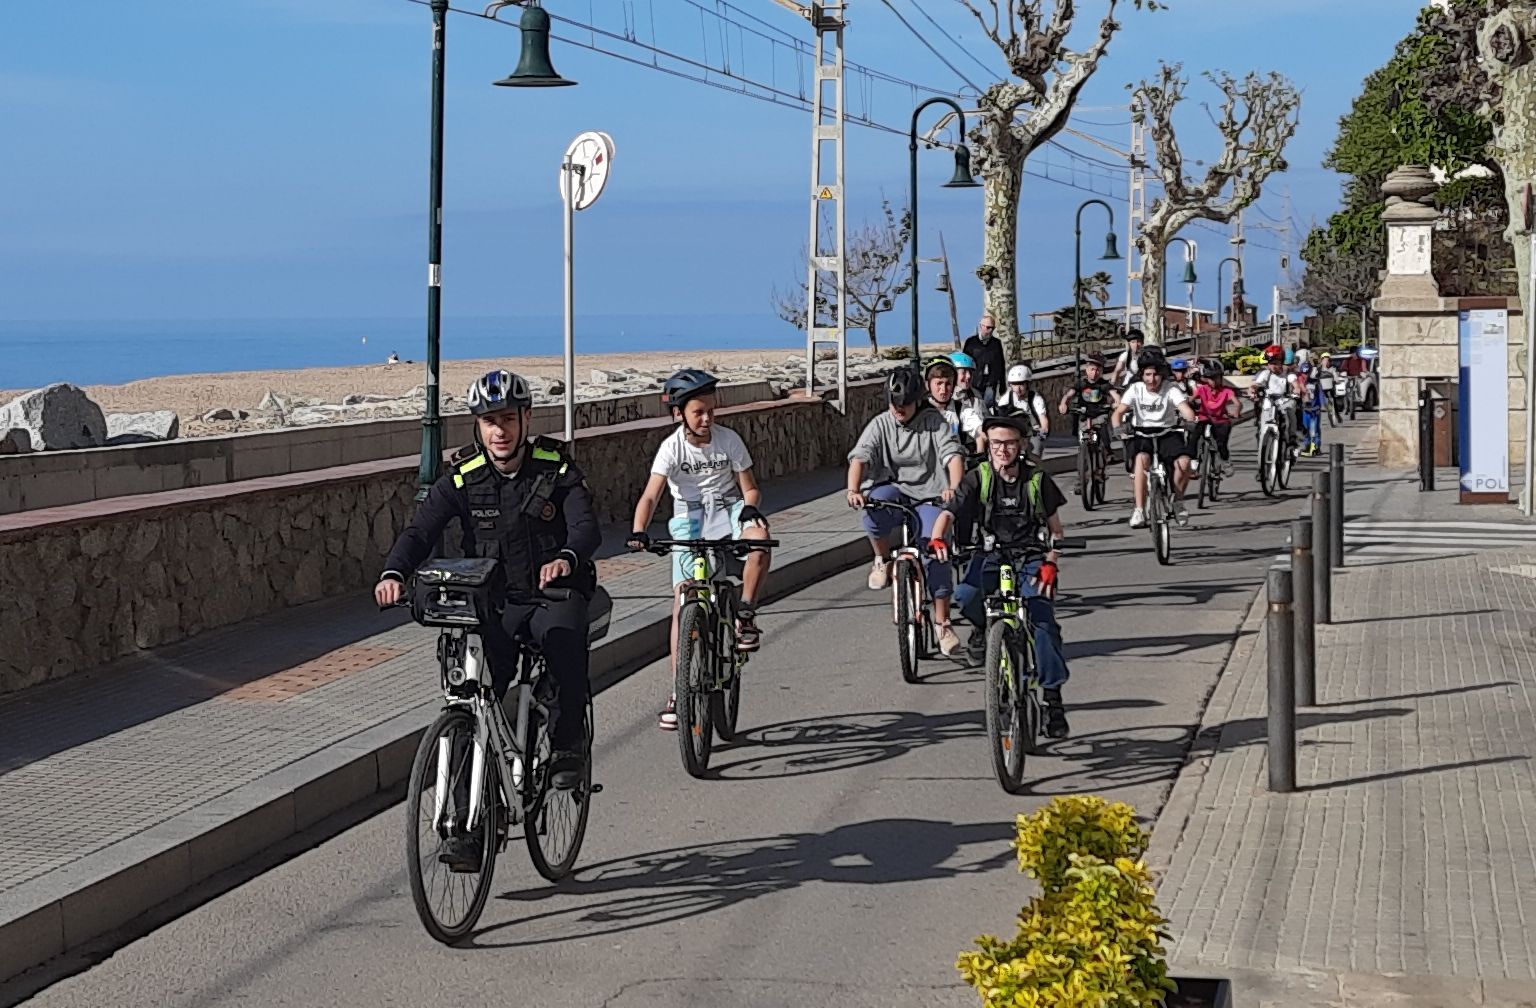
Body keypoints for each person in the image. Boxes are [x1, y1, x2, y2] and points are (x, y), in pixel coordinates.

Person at [375, 369, 599, 866]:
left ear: (525, 419)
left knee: (563, 639)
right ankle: (465, 827)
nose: (499, 431)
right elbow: (421, 530)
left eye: (507, 420)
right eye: (489, 421)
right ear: (477, 426)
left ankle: (566, 747)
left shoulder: (554, 469)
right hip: (492, 603)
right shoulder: (462, 475)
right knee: (468, 699)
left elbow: (586, 526)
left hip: (550, 594)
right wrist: (395, 571)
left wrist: (565, 556)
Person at [627, 369, 773, 731]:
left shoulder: (729, 440)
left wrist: (750, 508)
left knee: (761, 537)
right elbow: (650, 495)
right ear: (679, 414)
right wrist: (638, 531)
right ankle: (679, 691)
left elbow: (750, 488)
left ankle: (745, 614)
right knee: (682, 603)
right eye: (698, 412)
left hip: (727, 510)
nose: (707, 418)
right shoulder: (671, 449)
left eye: (710, 410)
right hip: (689, 519)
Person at [930, 415, 1073, 738]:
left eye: (1009, 443)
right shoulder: (978, 477)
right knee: (966, 596)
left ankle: (1053, 700)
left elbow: (1057, 532)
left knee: (1043, 623)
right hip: (992, 555)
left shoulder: (1036, 480)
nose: (1002, 450)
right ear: (988, 445)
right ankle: (984, 630)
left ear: (1021, 445)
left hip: (1032, 557)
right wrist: (938, 538)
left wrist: (1052, 561)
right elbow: (949, 513)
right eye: (996, 443)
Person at [848, 368, 967, 655]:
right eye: (893, 404)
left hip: (930, 496)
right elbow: (860, 457)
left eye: (904, 404)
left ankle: (942, 623)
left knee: (935, 550)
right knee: (874, 509)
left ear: (917, 401)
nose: (898, 410)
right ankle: (881, 559)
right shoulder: (881, 424)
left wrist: (954, 488)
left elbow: (952, 455)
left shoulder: (934, 423)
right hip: (895, 490)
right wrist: (853, 490)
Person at [1111, 361, 1198, 529]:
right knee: (1141, 459)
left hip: (1168, 432)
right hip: (1142, 433)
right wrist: (1117, 427)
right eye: (1148, 375)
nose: (1152, 379)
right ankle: (1139, 510)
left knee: (1184, 462)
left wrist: (1190, 420)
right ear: (1142, 376)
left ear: (1162, 376)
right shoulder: (1135, 389)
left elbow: (1185, 409)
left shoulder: (1171, 389)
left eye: (1156, 375)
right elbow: (1119, 412)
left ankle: (1178, 503)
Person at [1057, 355, 1120, 490]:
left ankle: (1108, 452)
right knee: (1082, 447)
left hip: (1099, 415)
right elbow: (1069, 394)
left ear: (1101, 372)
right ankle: (1081, 480)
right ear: (1086, 370)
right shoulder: (1081, 384)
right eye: (1092, 369)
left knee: (1102, 427)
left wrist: (1117, 403)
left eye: (1097, 370)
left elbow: (1114, 394)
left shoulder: (1103, 384)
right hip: (1084, 416)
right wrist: (1063, 404)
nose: (1094, 373)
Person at [925, 356, 986, 452]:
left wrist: (981, 457)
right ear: (928, 385)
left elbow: (980, 431)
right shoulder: (920, 410)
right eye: (939, 383)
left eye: (948, 384)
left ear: (954, 386)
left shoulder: (960, 408)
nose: (943, 389)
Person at [1190, 359, 1238, 476]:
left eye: (1216, 377)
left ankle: (1225, 462)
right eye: (1210, 378)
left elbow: (1237, 403)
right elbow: (1190, 400)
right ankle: (1194, 463)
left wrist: (1236, 411)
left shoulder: (1227, 391)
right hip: (1204, 418)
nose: (1213, 381)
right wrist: (1187, 406)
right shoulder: (1202, 389)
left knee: (1221, 443)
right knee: (1194, 438)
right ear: (1205, 379)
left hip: (1221, 420)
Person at [993, 364, 1051, 459]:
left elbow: (1043, 419)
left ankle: (1036, 472)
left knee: (1034, 454)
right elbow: (1000, 418)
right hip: (1012, 433)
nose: (1018, 389)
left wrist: (1043, 430)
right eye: (1014, 384)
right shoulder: (1006, 398)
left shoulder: (1035, 398)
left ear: (1027, 384)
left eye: (1021, 384)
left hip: (1032, 433)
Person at [1249, 345, 1301, 449]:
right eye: (1270, 363)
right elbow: (1256, 384)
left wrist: (1296, 391)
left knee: (1290, 410)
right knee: (1263, 414)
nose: (1273, 366)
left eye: (1276, 363)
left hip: (1284, 400)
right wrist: (1252, 390)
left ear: (1281, 363)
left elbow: (1296, 386)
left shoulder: (1288, 374)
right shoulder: (1265, 374)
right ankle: (1262, 435)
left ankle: (1292, 436)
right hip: (1269, 400)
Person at [961, 314, 1008, 403]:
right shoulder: (971, 343)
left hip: (990, 383)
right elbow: (964, 364)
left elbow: (1001, 364)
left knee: (987, 406)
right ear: (981, 326)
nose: (989, 330)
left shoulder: (996, 344)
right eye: (987, 327)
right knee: (975, 405)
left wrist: (1002, 386)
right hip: (975, 382)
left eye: (992, 328)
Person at [950, 351, 991, 447]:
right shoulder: (946, 398)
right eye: (963, 372)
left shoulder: (975, 394)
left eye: (970, 372)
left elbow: (985, 418)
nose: (968, 376)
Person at [1297, 362, 1324, 455]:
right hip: (1305, 410)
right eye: (1303, 373)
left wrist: (1323, 405)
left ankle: (1316, 446)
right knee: (1306, 428)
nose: (1305, 375)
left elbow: (1320, 394)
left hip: (1315, 409)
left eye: (1307, 373)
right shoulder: (1299, 382)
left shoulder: (1315, 382)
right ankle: (1307, 446)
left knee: (1315, 428)